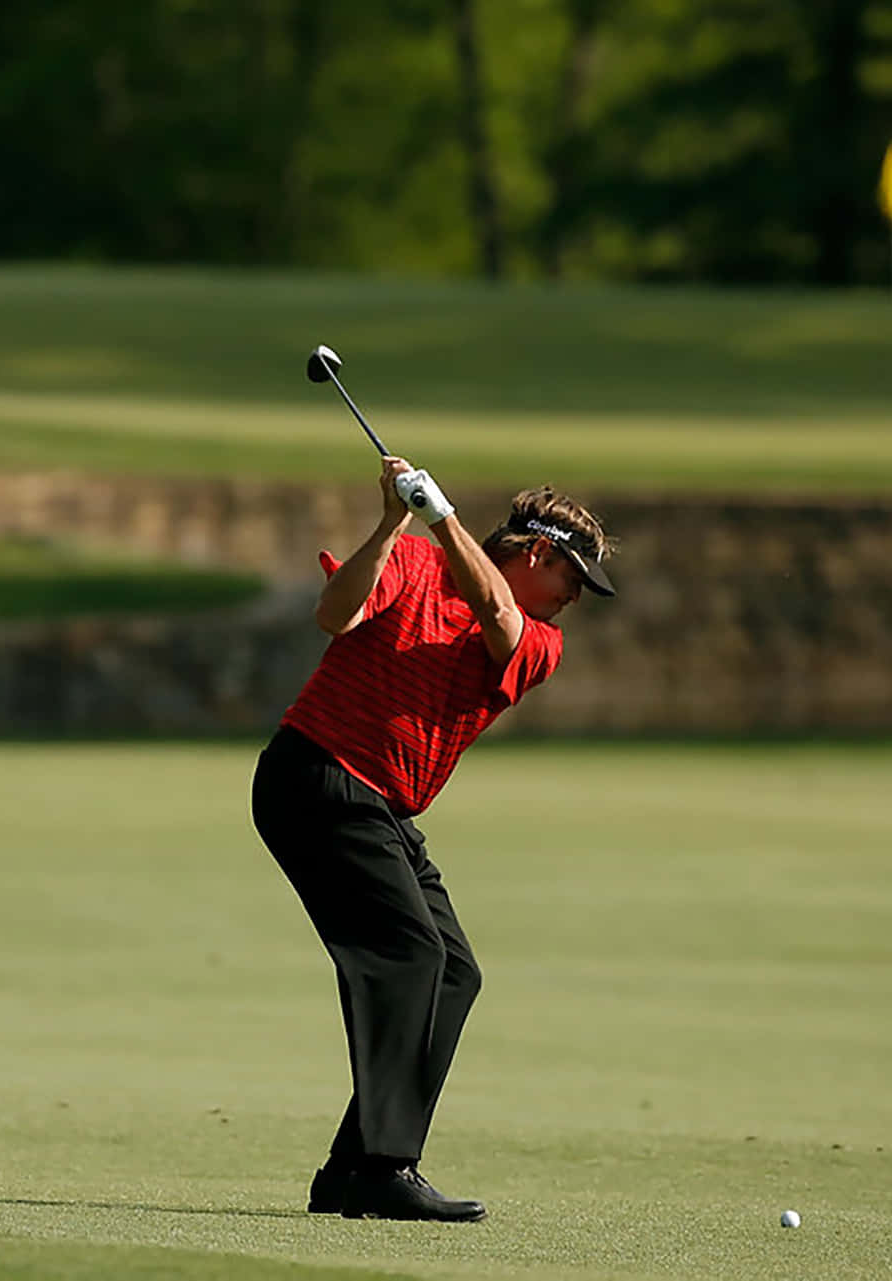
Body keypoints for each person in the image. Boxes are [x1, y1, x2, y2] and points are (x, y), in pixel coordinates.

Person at [251, 456, 615, 1222]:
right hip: (316, 776)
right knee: (409, 954)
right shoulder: (411, 559)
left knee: (452, 970)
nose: (575, 599)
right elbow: (333, 614)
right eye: (573, 579)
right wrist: (393, 521)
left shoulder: (537, 640)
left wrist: (444, 515)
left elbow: (500, 618)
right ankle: (386, 1167)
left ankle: (350, 1169)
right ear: (538, 553)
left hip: (378, 806)